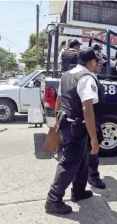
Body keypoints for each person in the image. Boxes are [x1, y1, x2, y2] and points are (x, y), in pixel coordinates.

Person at [45, 47, 101, 215]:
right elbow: (87, 109)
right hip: (76, 127)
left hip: (67, 123)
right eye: (96, 62)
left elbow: (59, 100)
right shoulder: (87, 78)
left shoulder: (66, 75)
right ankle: (53, 200)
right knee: (68, 163)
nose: (96, 65)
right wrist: (94, 138)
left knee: (82, 160)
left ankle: (78, 191)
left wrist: (56, 119)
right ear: (91, 62)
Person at [87, 52, 108, 189]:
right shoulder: (89, 79)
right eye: (99, 63)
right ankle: (93, 177)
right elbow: (88, 106)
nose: (101, 66)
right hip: (91, 119)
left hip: (93, 118)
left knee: (88, 150)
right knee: (93, 149)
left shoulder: (92, 77)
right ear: (92, 63)